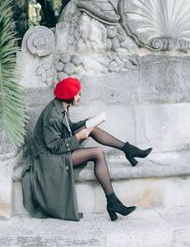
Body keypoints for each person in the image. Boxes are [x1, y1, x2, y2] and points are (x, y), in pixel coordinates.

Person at [22, 77, 152, 222]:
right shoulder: (52, 115)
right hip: (50, 159)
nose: (79, 97)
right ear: (68, 96)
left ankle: (128, 150)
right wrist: (77, 137)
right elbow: (54, 146)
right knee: (97, 153)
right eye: (77, 94)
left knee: (92, 128)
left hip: (57, 151)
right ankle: (113, 202)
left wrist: (87, 122)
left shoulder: (62, 106)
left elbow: (67, 127)